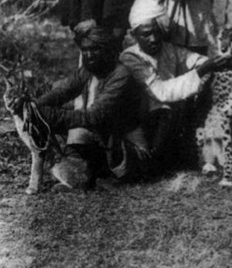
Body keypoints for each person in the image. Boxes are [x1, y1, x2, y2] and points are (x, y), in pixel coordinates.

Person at [119, 0, 229, 169]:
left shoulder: (168, 49)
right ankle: (155, 158)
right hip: (140, 119)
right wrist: (201, 71)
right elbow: (161, 92)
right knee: (168, 110)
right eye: (146, 34)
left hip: (165, 114)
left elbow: (194, 59)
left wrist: (216, 60)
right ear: (134, 35)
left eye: (156, 32)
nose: (153, 39)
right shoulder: (130, 57)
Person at [34, 25, 148, 189]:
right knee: (77, 148)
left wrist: (51, 115)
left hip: (128, 145)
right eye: (85, 50)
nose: (89, 55)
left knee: (95, 132)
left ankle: (109, 175)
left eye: (95, 49)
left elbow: (95, 116)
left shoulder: (120, 74)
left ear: (108, 50)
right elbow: (63, 91)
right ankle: (91, 174)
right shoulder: (88, 70)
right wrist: (34, 106)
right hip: (103, 137)